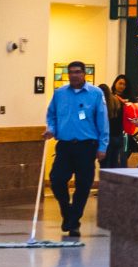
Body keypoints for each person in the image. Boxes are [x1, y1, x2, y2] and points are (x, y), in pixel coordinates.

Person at [45, 62, 108, 241]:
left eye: (78, 72)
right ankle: (68, 212)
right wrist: (51, 129)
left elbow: (102, 121)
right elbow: (52, 115)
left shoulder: (96, 94)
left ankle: (74, 222)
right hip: (64, 145)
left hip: (86, 146)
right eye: (71, 72)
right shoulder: (60, 94)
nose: (74, 75)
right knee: (57, 180)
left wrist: (103, 146)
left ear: (84, 74)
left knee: (83, 185)